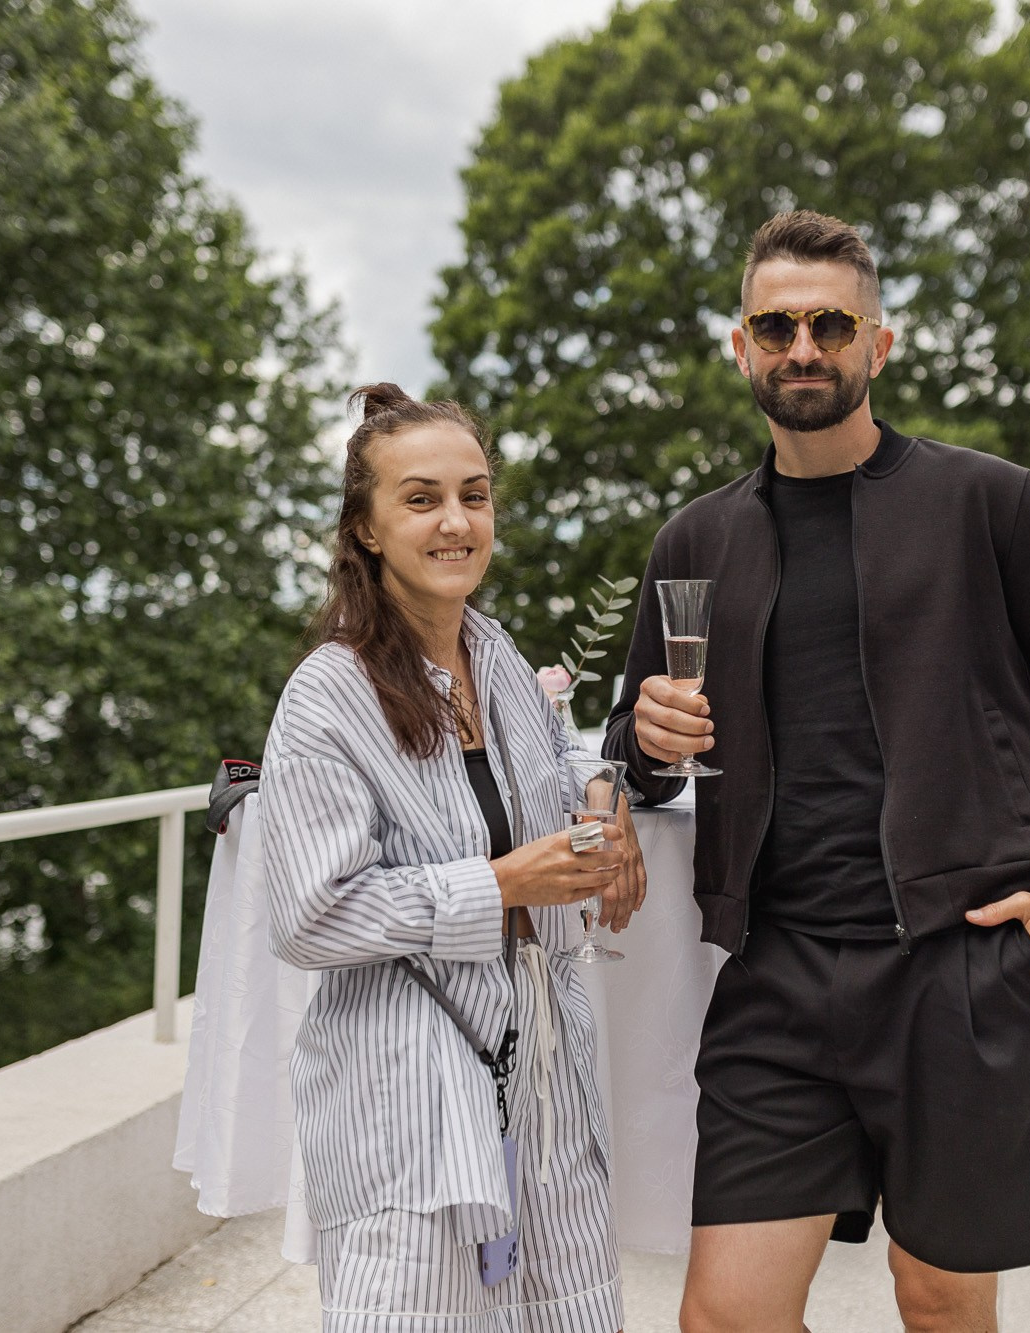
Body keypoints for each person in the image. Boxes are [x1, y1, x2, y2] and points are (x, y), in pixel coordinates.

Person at [603, 212, 1030, 1333]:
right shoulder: (696, 540)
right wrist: (643, 739)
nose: (801, 347)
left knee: (940, 1304)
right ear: (739, 346)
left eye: (829, 323)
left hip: (955, 968)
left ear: (878, 343)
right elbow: (636, 749)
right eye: (776, 323)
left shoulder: (986, 503)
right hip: (775, 975)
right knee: (724, 1315)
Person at [260, 383, 646, 1333]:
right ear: (366, 528)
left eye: (473, 495)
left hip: (540, 1074)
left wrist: (603, 790)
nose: (456, 521)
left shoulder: (495, 652)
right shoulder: (328, 696)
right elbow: (309, 914)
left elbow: (554, 756)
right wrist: (500, 884)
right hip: (410, 1090)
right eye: (422, 498)